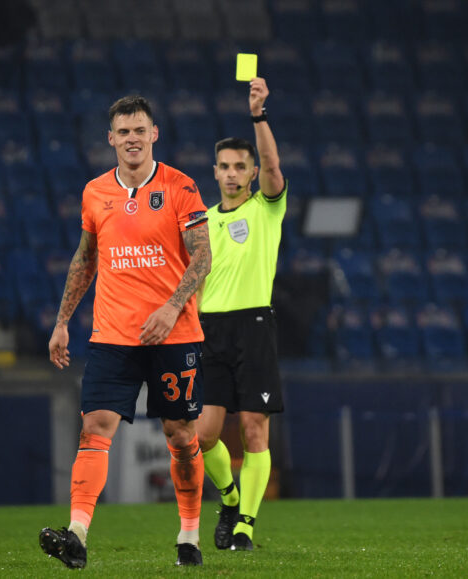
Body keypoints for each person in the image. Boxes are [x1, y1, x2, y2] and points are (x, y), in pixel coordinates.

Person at [39, 95, 212, 569]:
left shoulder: (181, 186)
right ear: (110, 139)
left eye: (140, 130)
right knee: (94, 429)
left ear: (154, 134)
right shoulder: (95, 192)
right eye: (124, 132)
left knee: (180, 435)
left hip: (174, 336)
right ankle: (76, 534)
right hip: (113, 335)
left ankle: (189, 535)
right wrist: (61, 322)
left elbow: (203, 257)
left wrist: (171, 307)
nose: (132, 139)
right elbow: (85, 258)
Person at [196, 77, 287, 552]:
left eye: (240, 166)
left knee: (254, 428)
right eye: (225, 167)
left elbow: (274, 162)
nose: (232, 174)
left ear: (253, 172)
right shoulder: (201, 221)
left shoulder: (266, 209)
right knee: (203, 434)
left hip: (253, 325)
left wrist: (258, 114)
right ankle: (229, 498)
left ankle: (245, 527)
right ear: (214, 172)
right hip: (208, 330)